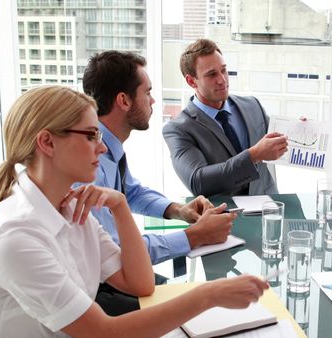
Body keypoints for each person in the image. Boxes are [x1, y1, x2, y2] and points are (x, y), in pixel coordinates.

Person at [0, 86, 268, 338]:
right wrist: (207, 295)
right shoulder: (15, 236)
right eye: (91, 136)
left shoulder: (70, 207)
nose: (102, 148)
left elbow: (140, 284)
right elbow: (105, 333)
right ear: (47, 142)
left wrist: (119, 205)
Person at [83, 51, 235, 314]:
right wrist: (194, 236)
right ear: (124, 101)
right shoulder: (91, 164)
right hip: (101, 292)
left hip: (114, 281)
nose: (153, 100)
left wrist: (179, 210)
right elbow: (117, 255)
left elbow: (131, 191)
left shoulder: (109, 147)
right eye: (148, 92)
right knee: (208, 310)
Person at [163, 38, 288, 197]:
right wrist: (254, 155)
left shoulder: (252, 105)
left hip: (267, 208)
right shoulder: (178, 129)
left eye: (223, 70)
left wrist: (300, 128)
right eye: (211, 74)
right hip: (224, 217)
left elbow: (281, 142)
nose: (222, 80)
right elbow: (197, 181)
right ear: (191, 81)